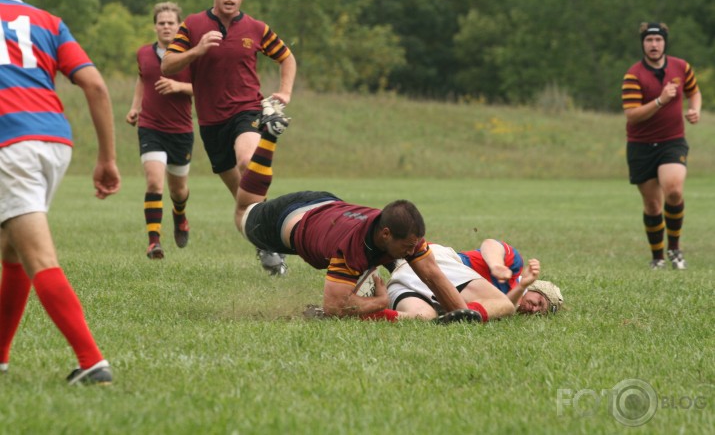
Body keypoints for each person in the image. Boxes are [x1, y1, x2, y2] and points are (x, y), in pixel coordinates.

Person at [233, 105, 479, 323]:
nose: (410, 252)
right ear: (385, 234)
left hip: (326, 205)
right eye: (406, 246)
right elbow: (335, 306)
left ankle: (269, 135)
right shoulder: (351, 249)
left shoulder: (405, 231)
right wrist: (380, 302)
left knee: (381, 269)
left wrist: (462, 316)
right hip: (282, 219)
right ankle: (268, 136)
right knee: (245, 209)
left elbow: (433, 275)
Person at [0, 0, 120, 385]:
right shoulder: (49, 22)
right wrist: (107, 157)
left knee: (37, 255)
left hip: (10, 145)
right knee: (12, 249)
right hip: (54, 142)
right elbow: (96, 86)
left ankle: (92, 362)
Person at [161, 0, 297, 275]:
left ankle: (272, 240)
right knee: (244, 200)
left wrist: (285, 92)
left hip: (247, 111)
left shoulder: (256, 28)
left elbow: (286, 57)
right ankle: (268, 243)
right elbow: (167, 65)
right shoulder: (193, 25)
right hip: (211, 123)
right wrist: (197, 50)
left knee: (248, 162)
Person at [621, 22, 701, 270]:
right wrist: (660, 100)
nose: (653, 45)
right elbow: (632, 115)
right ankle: (657, 257)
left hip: (672, 141)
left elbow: (694, 92)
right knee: (653, 204)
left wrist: (694, 109)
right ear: (643, 44)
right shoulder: (633, 75)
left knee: (674, 190)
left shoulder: (681, 66)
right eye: (649, 41)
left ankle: (675, 250)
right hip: (641, 146)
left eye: (658, 40)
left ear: (664, 42)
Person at [126, 2, 194, 260]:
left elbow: (205, 89)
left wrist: (178, 87)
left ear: (179, 27)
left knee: (178, 190)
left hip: (181, 130)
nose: (166, 27)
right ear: (155, 26)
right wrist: (135, 108)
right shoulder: (143, 53)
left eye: (171, 23)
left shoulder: (190, 56)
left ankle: (180, 215)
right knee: (154, 181)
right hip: (150, 127)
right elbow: (142, 80)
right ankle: (154, 242)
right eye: (161, 23)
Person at [387, 240, 564, 321]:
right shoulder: (514, 267)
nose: (534, 309)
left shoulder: (501, 306)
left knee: (423, 317)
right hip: (433, 261)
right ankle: (464, 315)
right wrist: (496, 265)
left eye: (539, 312)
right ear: (536, 288)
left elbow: (506, 306)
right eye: (539, 302)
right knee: (503, 306)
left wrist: (522, 287)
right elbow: (490, 244)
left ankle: (366, 314)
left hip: (402, 276)